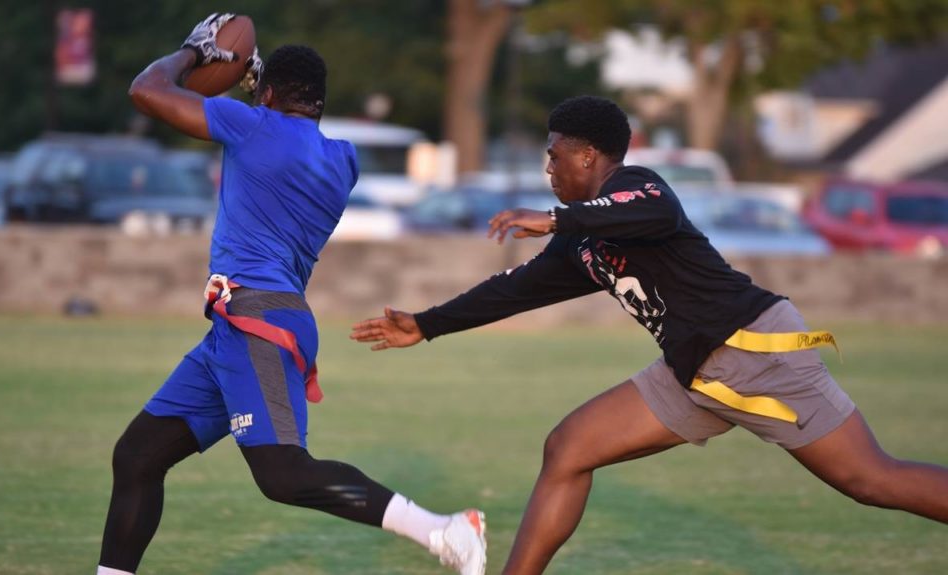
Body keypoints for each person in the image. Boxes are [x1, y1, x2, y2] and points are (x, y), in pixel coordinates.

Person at [350, 95, 948, 574]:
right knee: (568, 448)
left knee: (870, 480)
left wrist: (557, 217)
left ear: (588, 157)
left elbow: (652, 213)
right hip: (694, 371)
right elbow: (515, 289)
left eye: (555, 155)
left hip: (755, 348)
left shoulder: (640, 185)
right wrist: (426, 324)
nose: (548, 168)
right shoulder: (581, 239)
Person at [96, 14, 486, 575]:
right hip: (246, 323)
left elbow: (148, 91)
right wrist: (257, 85)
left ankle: (445, 532)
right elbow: (282, 134)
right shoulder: (341, 160)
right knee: (137, 456)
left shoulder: (251, 126)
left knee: (282, 473)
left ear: (268, 94)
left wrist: (195, 51)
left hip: (257, 319)